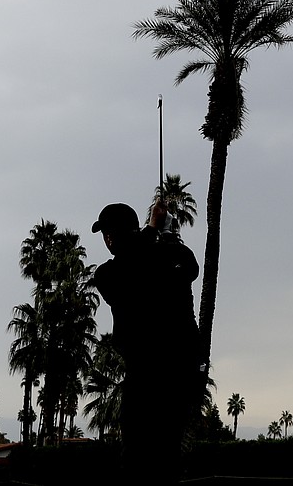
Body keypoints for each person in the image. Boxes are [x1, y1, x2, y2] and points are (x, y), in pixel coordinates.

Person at [91, 200, 202, 483]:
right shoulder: (114, 272)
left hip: (158, 375)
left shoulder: (122, 268)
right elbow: (179, 265)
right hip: (161, 373)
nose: (107, 240)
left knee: (149, 456)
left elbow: (188, 267)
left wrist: (157, 233)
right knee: (155, 455)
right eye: (105, 234)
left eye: (109, 233)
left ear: (119, 234)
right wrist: (160, 233)